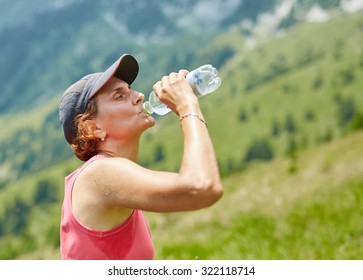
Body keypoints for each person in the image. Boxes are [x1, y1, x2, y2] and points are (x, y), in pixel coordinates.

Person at [58, 53, 223, 260]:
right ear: (93, 128)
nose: (139, 96)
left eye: (130, 90)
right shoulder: (99, 174)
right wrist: (187, 105)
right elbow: (202, 187)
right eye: (119, 96)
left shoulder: (110, 175)